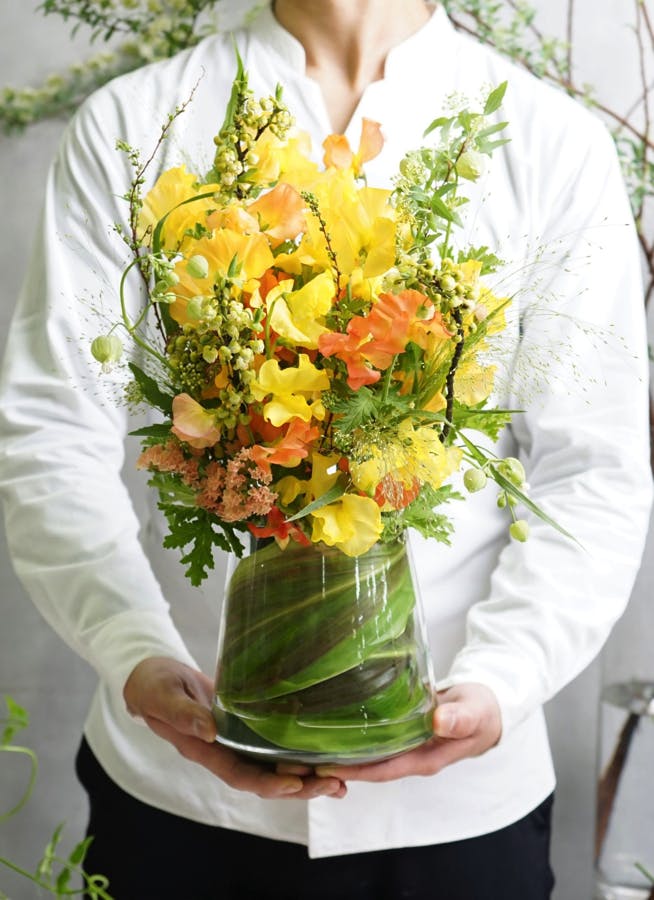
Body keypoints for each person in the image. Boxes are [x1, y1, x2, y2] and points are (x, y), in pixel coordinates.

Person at [0, 1, 651, 898]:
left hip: (457, 815)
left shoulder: (549, 141)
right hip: (179, 795)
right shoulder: (136, 121)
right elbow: (51, 432)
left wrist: (505, 678)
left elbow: (595, 468)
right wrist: (131, 651)